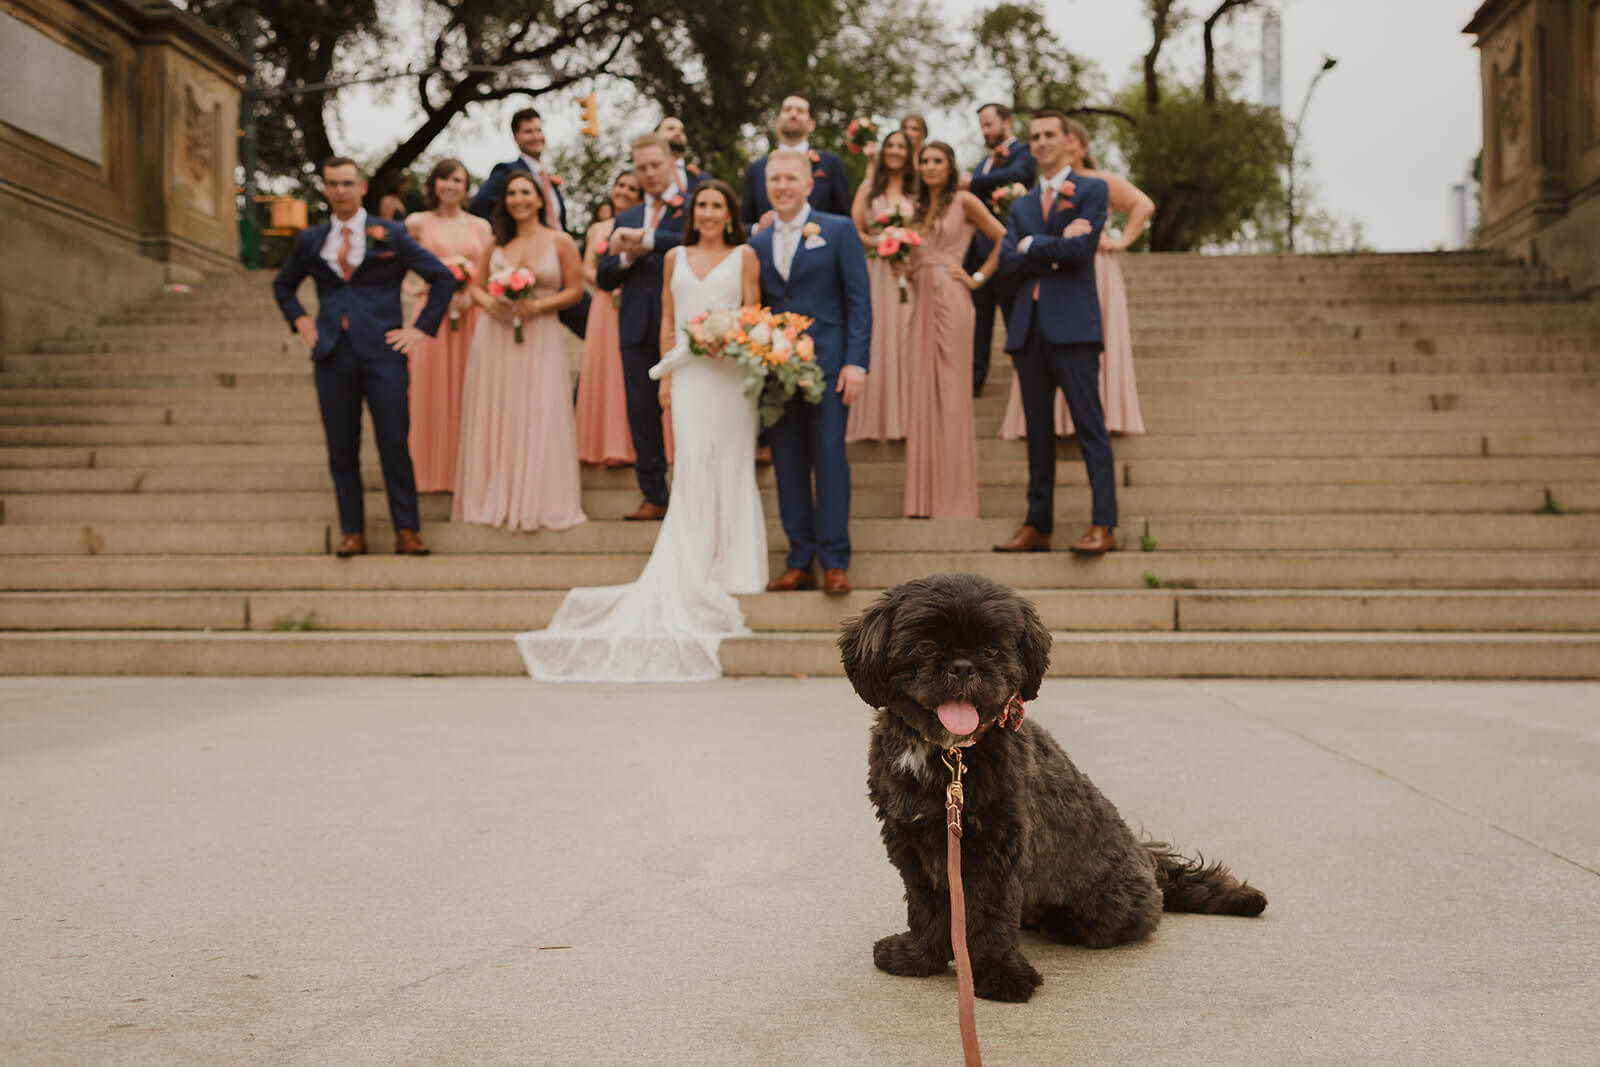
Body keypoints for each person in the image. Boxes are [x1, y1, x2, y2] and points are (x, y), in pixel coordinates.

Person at [517, 180, 765, 682]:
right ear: (692, 212)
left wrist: (736, 343)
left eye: (719, 206)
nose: (711, 213)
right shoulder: (674, 256)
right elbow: (669, 320)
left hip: (733, 374)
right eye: (704, 206)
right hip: (691, 373)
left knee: (733, 462)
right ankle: (692, 561)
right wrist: (668, 376)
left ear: (730, 213)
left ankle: (737, 563)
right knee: (692, 460)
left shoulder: (745, 255)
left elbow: (754, 314)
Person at [271, 156, 453, 557]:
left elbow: (443, 277)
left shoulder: (391, 233)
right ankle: (352, 531)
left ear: (362, 187)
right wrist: (301, 321)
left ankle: (407, 530)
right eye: (333, 183)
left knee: (394, 442)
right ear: (324, 189)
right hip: (333, 354)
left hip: (384, 354)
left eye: (347, 183)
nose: (341, 190)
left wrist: (420, 329)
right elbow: (283, 286)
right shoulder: (311, 240)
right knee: (342, 447)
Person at [994, 109, 1117, 556]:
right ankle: (1037, 525)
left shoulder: (1091, 189)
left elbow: (1081, 250)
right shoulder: (1023, 203)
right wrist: (1048, 248)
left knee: (1090, 427)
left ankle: (1104, 523)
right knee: (1039, 433)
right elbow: (1008, 262)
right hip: (1029, 330)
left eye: (1049, 134)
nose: (1041, 142)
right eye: (1034, 137)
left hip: (1075, 327)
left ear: (1069, 141)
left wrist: (1033, 246)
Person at [750, 148, 872, 595]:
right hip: (776, 373)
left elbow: (858, 300)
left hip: (829, 367)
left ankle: (835, 560)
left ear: (808, 184)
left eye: (789, 178)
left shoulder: (837, 230)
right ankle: (799, 559)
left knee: (830, 460)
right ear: (766, 187)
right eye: (773, 179)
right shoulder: (756, 243)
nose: (781, 186)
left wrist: (856, 362)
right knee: (787, 464)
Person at [998, 118, 1150, 440]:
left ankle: (1098, 415)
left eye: (1065, 139)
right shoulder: (1043, 190)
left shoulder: (1099, 182)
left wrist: (1121, 240)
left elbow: (1143, 204)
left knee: (1088, 344)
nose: (1051, 144)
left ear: (1077, 144)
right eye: (1038, 137)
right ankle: (1053, 421)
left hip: (1092, 268)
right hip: (1049, 274)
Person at [452, 172, 587, 532]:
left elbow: (575, 291)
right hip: (495, 335)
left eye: (526, 192)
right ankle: (492, 496)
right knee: (499, 411)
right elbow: (476, 286)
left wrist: (539, 307)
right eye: (512, 193)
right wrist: (490, 304)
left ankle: (539, 499)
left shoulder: (560, 242)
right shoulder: (495, 244)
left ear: (540, 200)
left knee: (540, 409)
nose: (518, 199)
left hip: (540, 333)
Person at [902, 141, 1005, 520]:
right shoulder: (912, 208)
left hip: (952, 293)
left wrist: (977, 276)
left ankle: (955, 499)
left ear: (949, 167)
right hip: (919, 299)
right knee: (921, 391)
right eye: (925, 161)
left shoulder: (965, 201)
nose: (930, 167)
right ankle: (923, 498)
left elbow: (1004, 238)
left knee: (952, 394)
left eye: (937, 161)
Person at [596, 133, 686, 522]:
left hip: (682, 324)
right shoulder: (626, 216)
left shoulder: (692, 204)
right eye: (641, 167)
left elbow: (695, 240)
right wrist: (627, 258)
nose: (649, 174)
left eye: (655, 165)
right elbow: (603, 275)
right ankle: (654, 494)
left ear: (670, 162)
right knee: (641, 412)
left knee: (686, 409)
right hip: (634, 324)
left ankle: (690, 491)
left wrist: (647, 240)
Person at [402, 158, 492, 493]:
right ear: (434, 184)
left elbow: (487, 269)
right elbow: (395, 261)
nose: (450, 186)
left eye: (457, 180)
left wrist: (472, 292)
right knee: (428, 390)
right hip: (431, 316)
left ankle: (471, 474)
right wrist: (412, 287)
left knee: (472, 389)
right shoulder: (416, 222)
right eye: (444, 179)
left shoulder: (480, 227)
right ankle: (429, 472)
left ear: (466, 187)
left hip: (471, 313)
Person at [468, 108, 590, 340]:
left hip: (560, 262)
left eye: (538, 130)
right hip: (534, 269)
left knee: (594, 329)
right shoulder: (507, 172)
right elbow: (479, 208)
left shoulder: (547, 180)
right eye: (527, 132)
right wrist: (510, 243)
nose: (535, 136)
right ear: (516, 137)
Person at [845, 128, 918, 443]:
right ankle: (873, 418)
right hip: (876, 270)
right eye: (891, 145)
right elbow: (854, 228)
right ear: (884, 150)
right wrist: (880, 243)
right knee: (878, 335)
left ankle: (909, 418)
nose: (896, 151)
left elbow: (926, 226)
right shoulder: (868, 188)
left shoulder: (918, 190)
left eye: (902, 146)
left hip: (909, 271)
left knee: (906, 336)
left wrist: (906, 245)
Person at [962, 102, 1036, 396]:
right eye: (981, 126)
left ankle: (1026, 379)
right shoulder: (984, 163)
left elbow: (1018, 175)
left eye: (989, 124)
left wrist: (970, 182)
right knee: (979, 321)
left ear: (1008, 122)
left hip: (1010, 251)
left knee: (1014, 315)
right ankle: (974, 382)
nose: (985, 131)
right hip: (979, 253)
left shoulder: (1024, 152)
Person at [575, 170, 644, 468]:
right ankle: (602, 445)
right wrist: (608, 280)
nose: (624, 192)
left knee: (627, 372)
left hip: (632, 301)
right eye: (621, 185)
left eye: (632, 188)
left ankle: (631, 445)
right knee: (604, 370)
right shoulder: (598, 229)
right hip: (605, 304)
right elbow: (586, 268)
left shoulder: (644, 227)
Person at [741, 94, 851, 230]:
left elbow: (843, 217)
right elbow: (743, 223)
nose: (793, 114)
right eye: (787, 110)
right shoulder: (757, 168)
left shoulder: (831, 164)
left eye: (800, 111)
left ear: (811, 124)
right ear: (777, 121)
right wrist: (758, 229)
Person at [657, 116, 711, 195]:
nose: (678, 133)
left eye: (682, 131)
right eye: (670, 128)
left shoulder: (702, 178)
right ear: (656, 135)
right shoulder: (645, 174)